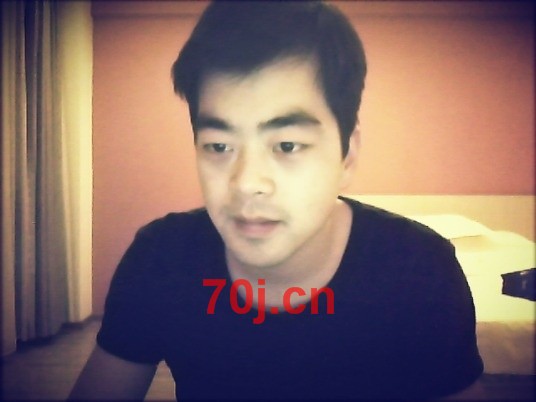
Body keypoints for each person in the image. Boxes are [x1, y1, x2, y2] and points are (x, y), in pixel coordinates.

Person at [70, 1, 484, 400]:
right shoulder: (162, 259)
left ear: (347, 154)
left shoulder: (416, 270)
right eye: (219, 146)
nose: (246, 183)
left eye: (287, 145)